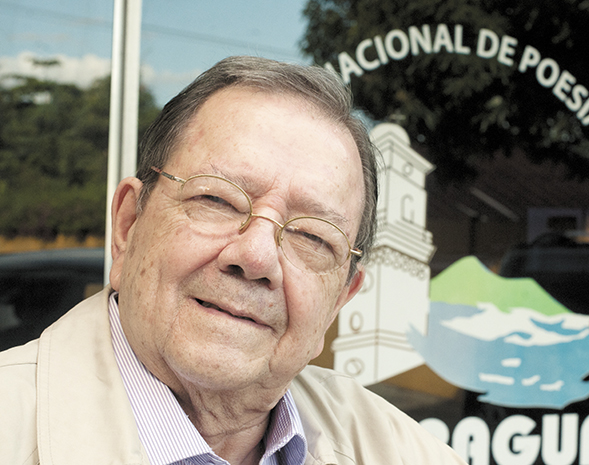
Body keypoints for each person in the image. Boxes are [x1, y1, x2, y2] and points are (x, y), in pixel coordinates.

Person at [0, 56, 465, 464]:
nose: (257, 256)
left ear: (340, 300)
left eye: (311, 236)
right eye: (218, 200)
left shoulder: (407, 453)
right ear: (128, 226)